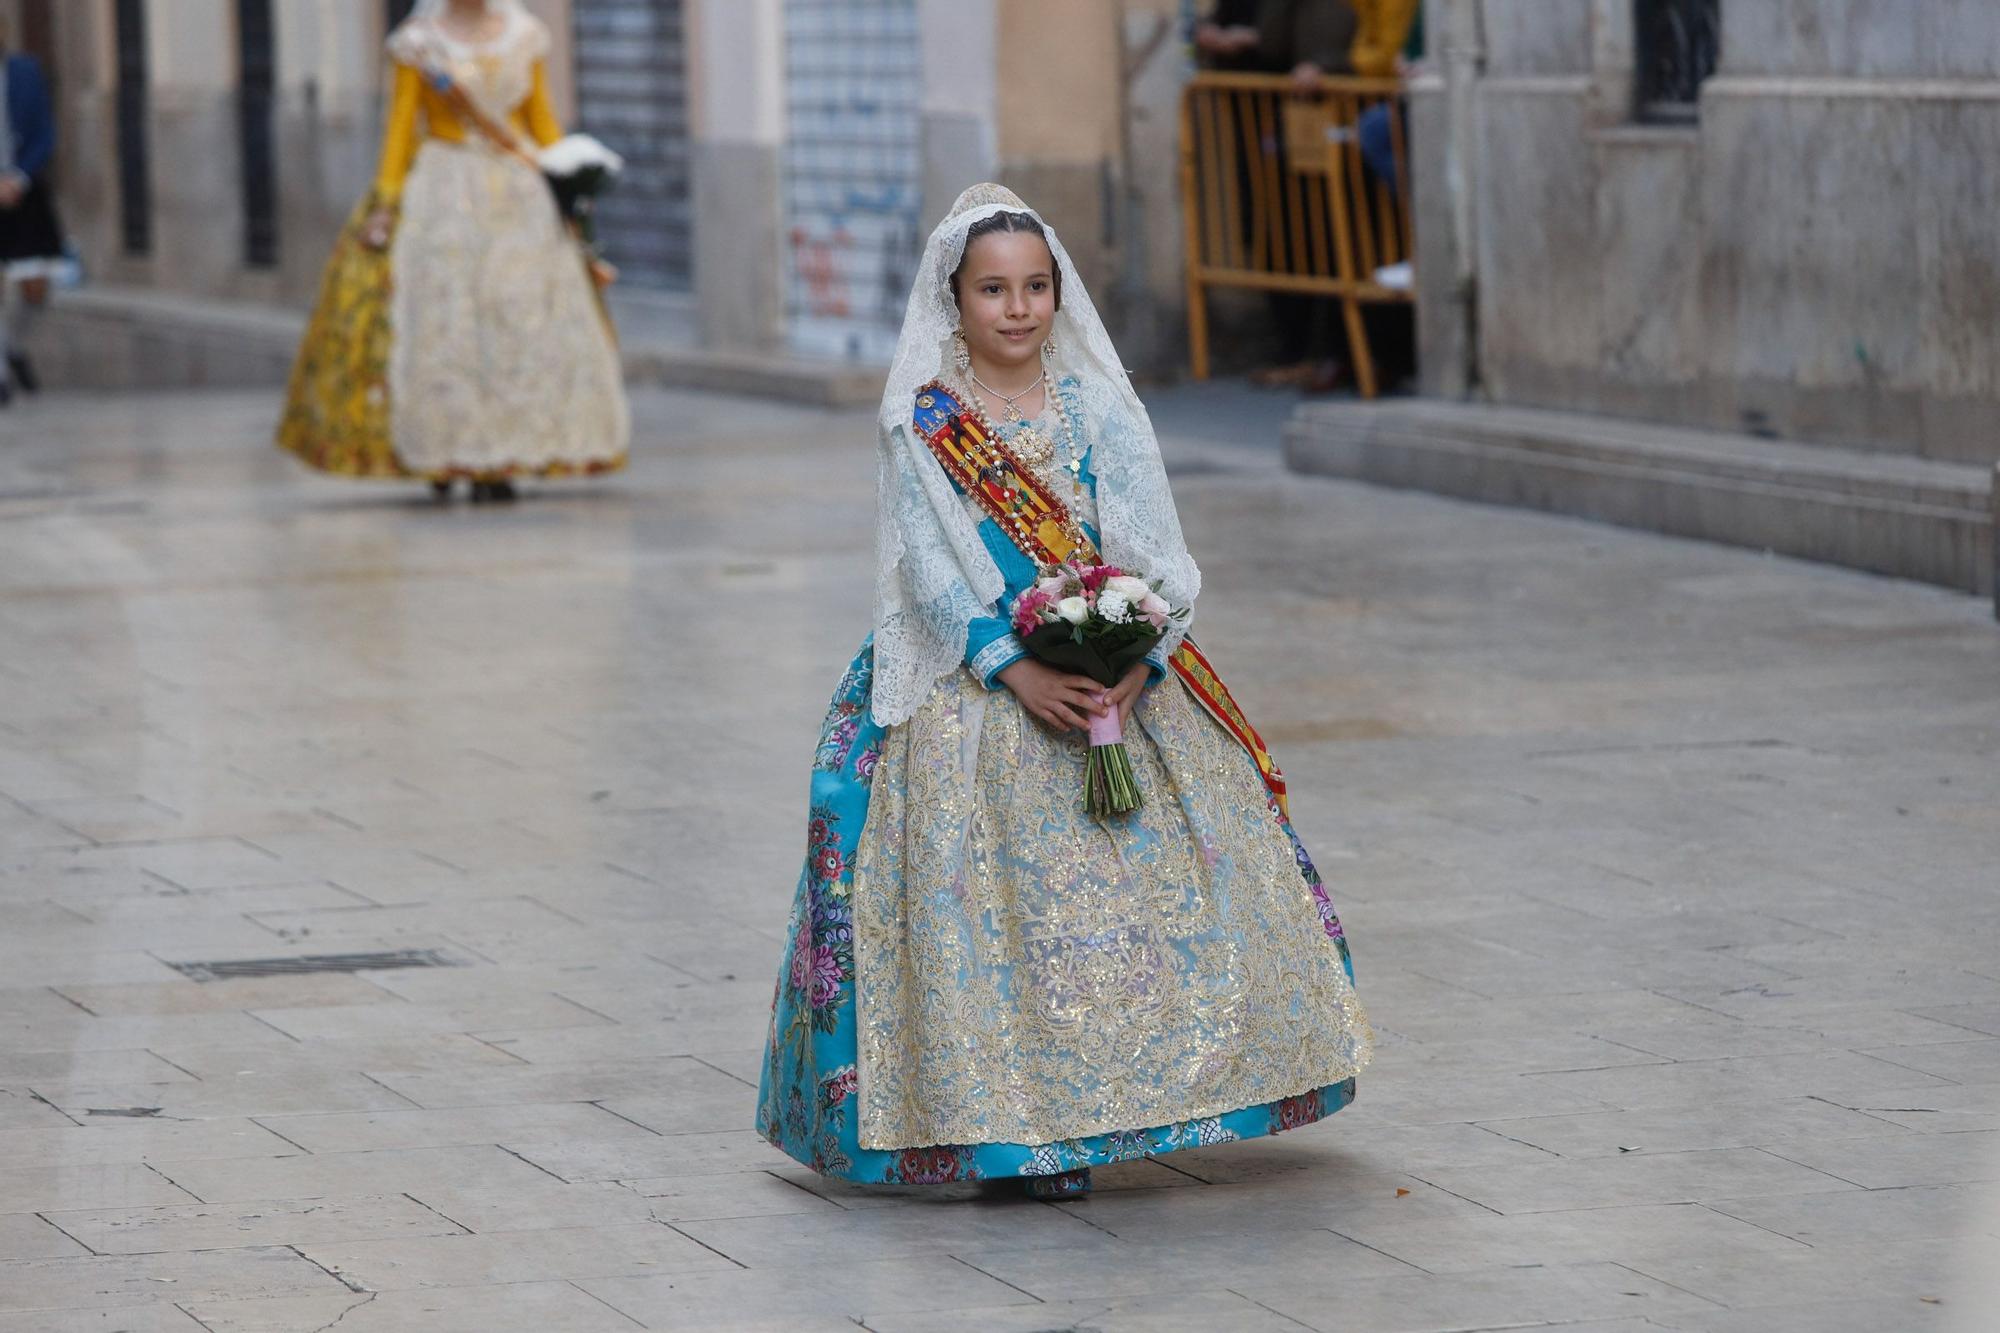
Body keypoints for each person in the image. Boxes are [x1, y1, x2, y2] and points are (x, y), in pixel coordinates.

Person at [755, 184, 1371, 1199]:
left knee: (1138, 907)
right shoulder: (924, 418)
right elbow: (926, 565)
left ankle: (1120, 1108)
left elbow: (1151, 548)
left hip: (1114, 680)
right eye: (992, 289)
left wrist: (1135, 658)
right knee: (991, 916)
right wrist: (1015, 667)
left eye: (1035, 286)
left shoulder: (1096, 405)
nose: (1017, 307)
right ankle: (1004, 1134)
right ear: (952, 299)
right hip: (976, 679)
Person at [277, 0, 628, 502]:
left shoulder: (525, 36)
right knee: (447, 325)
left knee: (514, 321)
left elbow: (541, 120)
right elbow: (400, 129)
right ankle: (446, 450)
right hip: (443, 195)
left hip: (517, 197)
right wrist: (386, 203)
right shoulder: (418, 45)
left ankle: (503, 455)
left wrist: (571, 175)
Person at [0, 19, 63, 404]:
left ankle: (11, 346)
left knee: (35, 286)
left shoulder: (25, 72)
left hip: (22, 191)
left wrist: (18, 178)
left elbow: (44, 133)